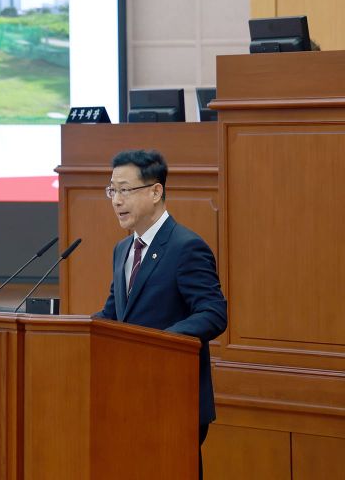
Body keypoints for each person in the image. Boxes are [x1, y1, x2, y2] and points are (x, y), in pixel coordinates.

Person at [93, 149, 227, 480]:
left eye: (125, 190)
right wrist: (73, 331)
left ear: (156, 192)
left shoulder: (186, 247)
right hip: (129, 396)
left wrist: (159, 343)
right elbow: (113, 315)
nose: (116, 200)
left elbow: (213, 312)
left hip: (172, 397)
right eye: (112, 190)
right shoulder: (123, 249)